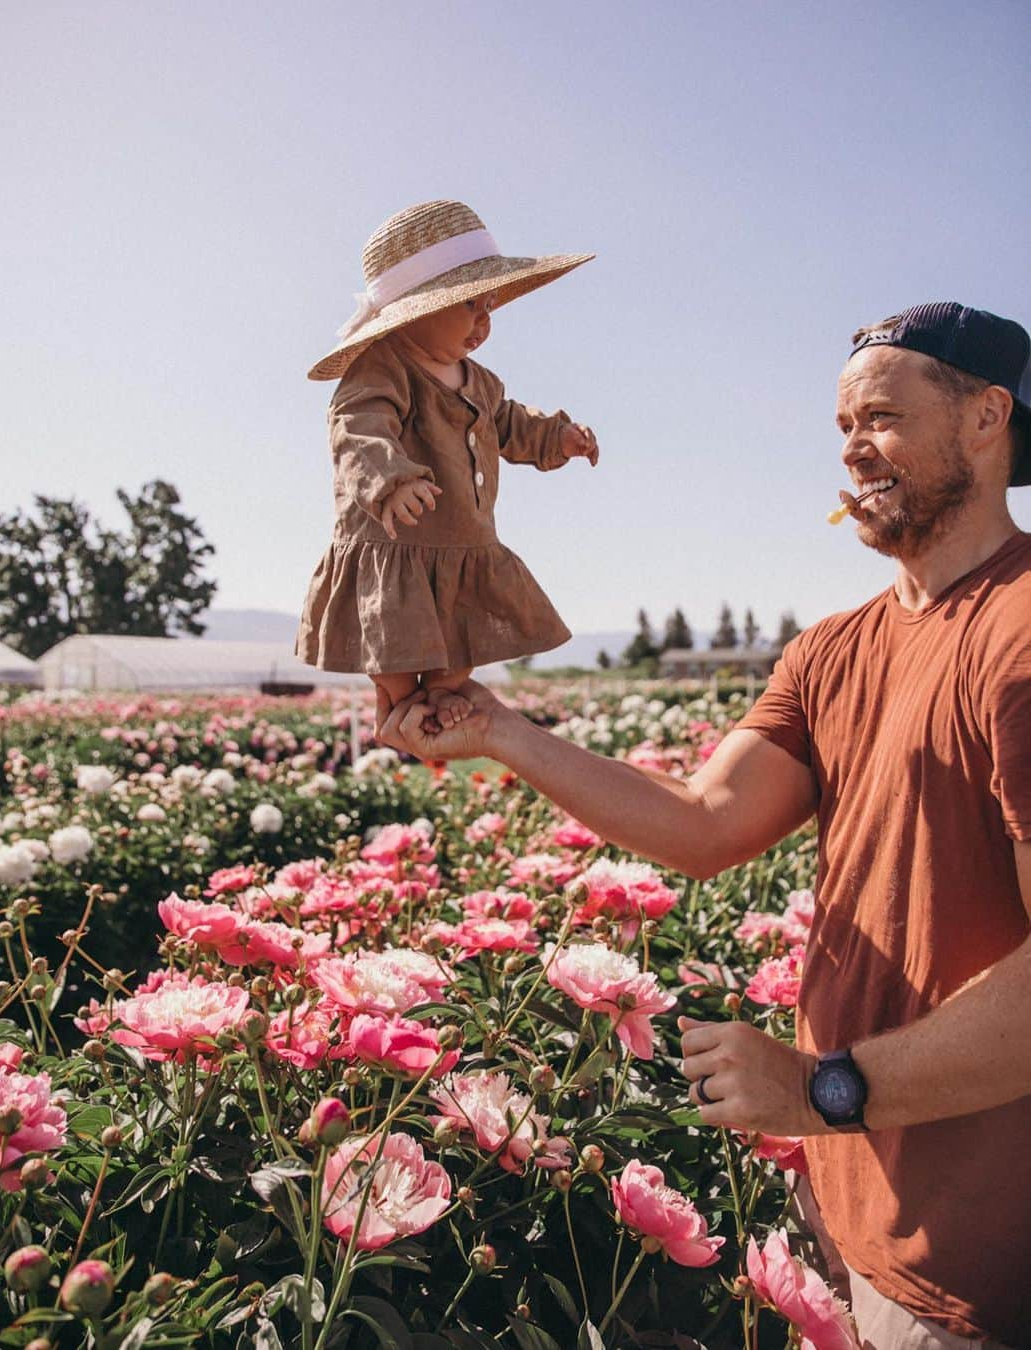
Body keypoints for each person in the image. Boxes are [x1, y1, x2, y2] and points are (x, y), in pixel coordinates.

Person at [376, 302, 1031, 1349]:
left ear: (989, 416)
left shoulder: (1020, 631)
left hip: (975, 1253)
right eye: (841, 428)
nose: (853, 449)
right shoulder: (834, 651)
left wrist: (825, 1087)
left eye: (882, 418)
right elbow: (703, 820)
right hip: (846, 1201)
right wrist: (500, 730)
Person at [295, 198, 599, 729]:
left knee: (460, 640)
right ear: (418, 308)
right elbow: (356, 427)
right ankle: (396, 696)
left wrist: (558, 436)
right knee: (394, 640)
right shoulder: (382, 368)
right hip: (398, 539)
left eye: (489, 307)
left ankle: (441, 693)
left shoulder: (481, 381)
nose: (483, 322)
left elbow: (508, 423)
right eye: (469, 307)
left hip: (463, 539)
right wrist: (389, 480)